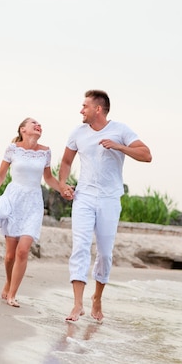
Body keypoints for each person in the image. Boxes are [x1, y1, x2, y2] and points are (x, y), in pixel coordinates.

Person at [58, 90, 152, 322]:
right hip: (84, 197)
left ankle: (97, 298)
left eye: (85, 106)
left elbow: (146, 155)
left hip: (110, 199)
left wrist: (119, 147)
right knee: (80, 247)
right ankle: (77, 304)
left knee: (105, 254)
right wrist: (62, 184)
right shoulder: (78, 132)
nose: (81, 110)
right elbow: (67, 161)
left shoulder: (120, 130)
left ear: (98, 109)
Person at [0, 117, 66, 308]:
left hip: (33, 203)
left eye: (40, 124)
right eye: (33, 123)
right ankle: (8, 281)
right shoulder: (12, 149)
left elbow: (48, 178)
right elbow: (1, 175)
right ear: (23, 129)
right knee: (10, 255)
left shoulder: (45, 152)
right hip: (14, 200)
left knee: (23, 250)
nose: (39, 125)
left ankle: (12, 294)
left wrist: (63, 189)